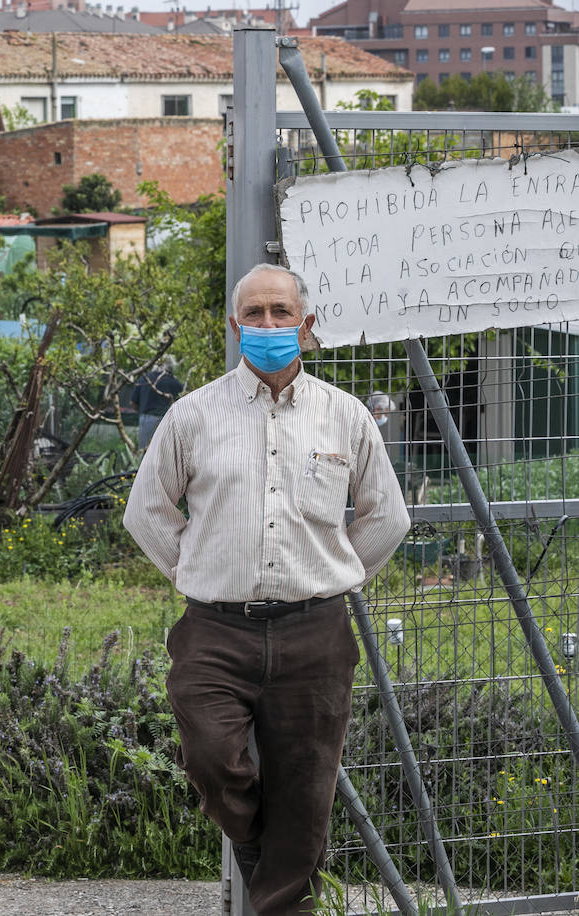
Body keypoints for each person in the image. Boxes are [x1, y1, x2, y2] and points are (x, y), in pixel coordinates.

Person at [122, 263, 410, 916]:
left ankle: (284, 904)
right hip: (215, 631)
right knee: (213, 759)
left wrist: (329, 574)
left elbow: (386, 518)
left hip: (316, 632)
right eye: (254, 314)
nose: (268, 325)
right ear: (235, 326)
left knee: (306, 791)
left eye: (281, 313)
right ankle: (270, 859)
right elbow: (147, 512)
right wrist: (197, 569)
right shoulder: (192, 416)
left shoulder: (345, 417)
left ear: (306, 326)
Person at [131, 356, 185, 449]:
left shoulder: (144, 379)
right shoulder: (176, 383)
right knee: (166, 454)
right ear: (172, 366)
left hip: (147, 420)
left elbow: (133, 403)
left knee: (145, 453)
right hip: (168, 422)